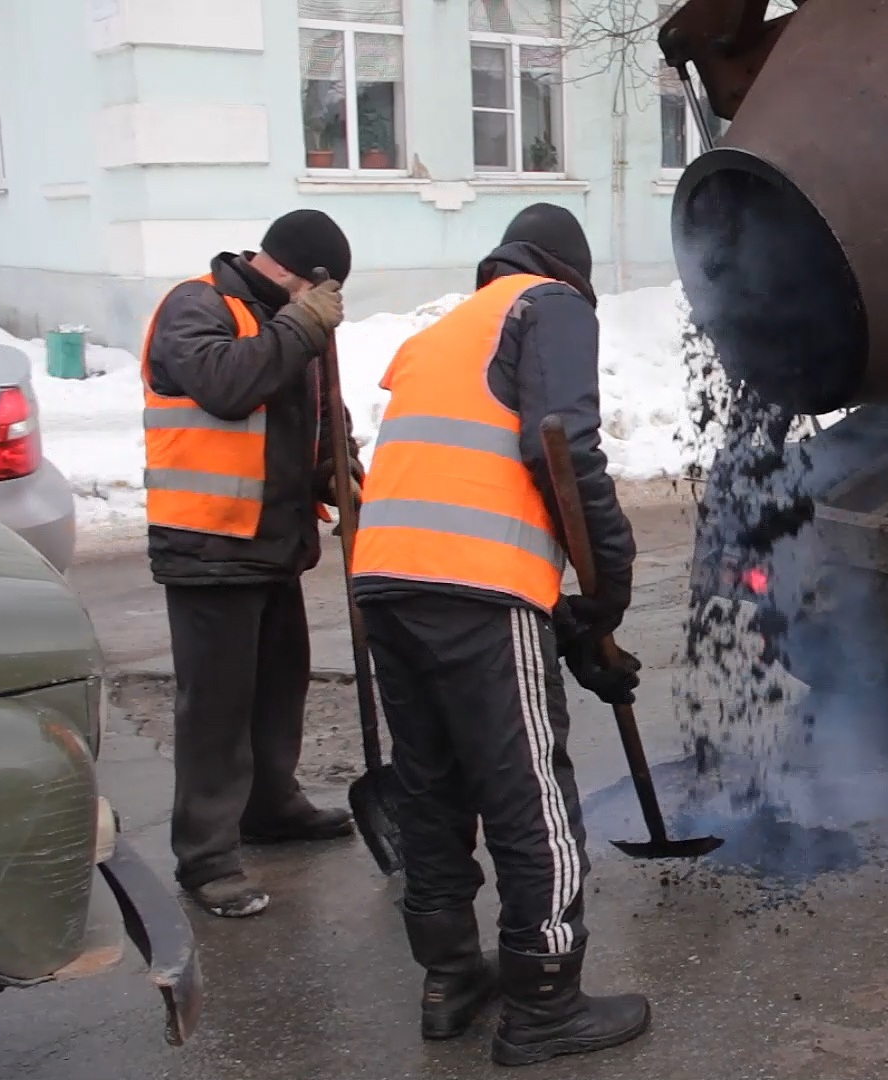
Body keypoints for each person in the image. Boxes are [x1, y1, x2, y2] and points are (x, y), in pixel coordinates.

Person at [348, 203, 649, 1067]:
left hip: (390, 582)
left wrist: (570, 625)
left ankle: (450, 979)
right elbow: (564, 449)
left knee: (432, 785)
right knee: (530, 793)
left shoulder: (452, 329)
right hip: (475, 585)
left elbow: (472, 473)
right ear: (568, 272)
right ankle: (546, 1004)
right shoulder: (546, 305)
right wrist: (607, 595)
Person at [141, 209, 361, 918]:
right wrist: (302, 328)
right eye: (317, 294)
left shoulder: (291, 327)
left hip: (272, 544)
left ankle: (271, 805)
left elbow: (319, 414)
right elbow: (228, 384)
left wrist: (339, 468)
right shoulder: (195, 305)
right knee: (216, 708)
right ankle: (206, 857)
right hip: (208, 545)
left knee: (278, 689)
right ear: (299, 274)